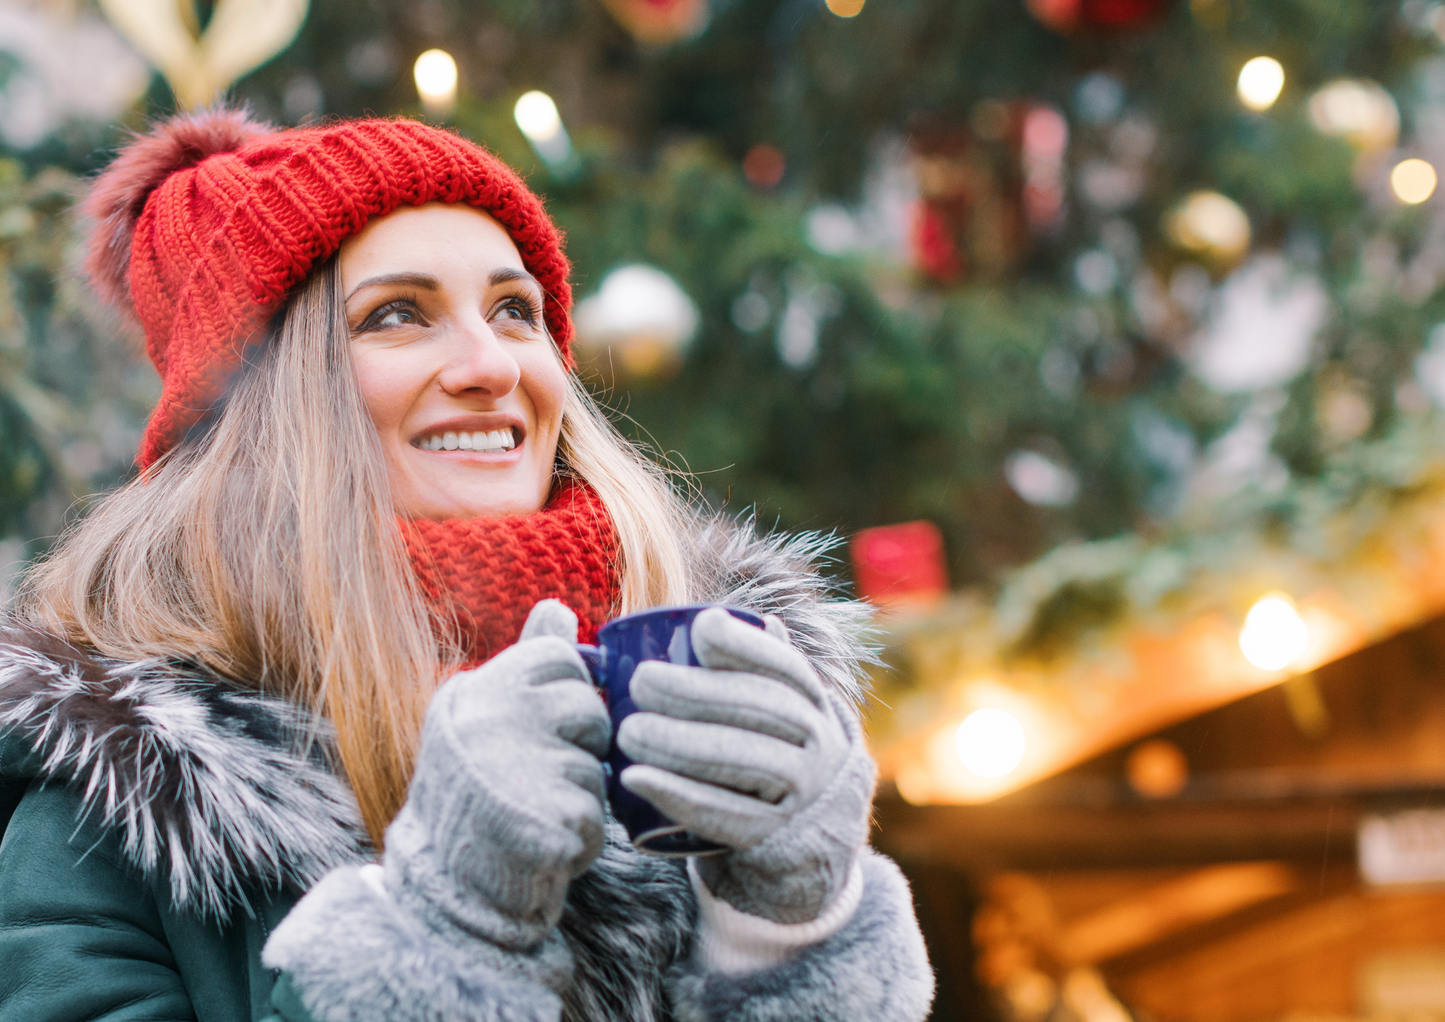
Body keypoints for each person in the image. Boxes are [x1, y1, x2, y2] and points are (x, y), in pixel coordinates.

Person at [0, 108, 934, 1022]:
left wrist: (789, 934)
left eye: (514, 310)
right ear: (263, 405)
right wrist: (442, 927)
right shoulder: (111, 814)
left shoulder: (705, 677)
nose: (493, 365)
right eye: (397, 314)